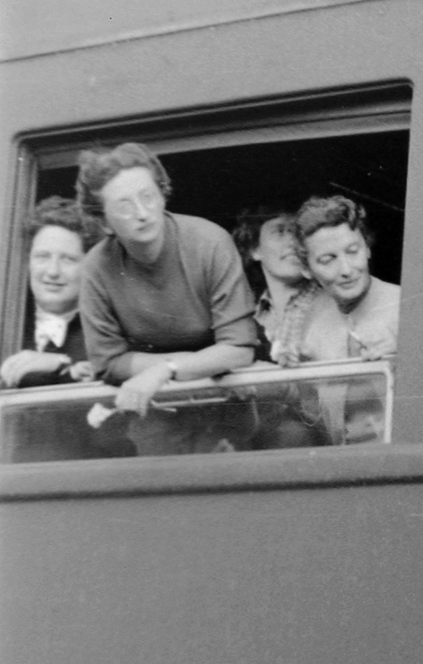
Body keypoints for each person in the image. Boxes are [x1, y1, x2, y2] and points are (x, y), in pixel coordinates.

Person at [76, 143, 258, 454]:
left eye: (148, 196)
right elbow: (107, 363)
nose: (143, 213)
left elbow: (239, 348)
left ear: (162, 194)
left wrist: (165, 370)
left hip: (227, 403)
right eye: (124, 205)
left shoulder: (209, 242)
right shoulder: (95, 268)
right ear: (104, 221)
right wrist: (198, 363)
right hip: (156, 416)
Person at [292, 196, 399, 443]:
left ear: (368, 248)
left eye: (353, 251)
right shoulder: (309, 325)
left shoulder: (410, 308)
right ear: (306, 268)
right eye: (328, 260)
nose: (347, 269)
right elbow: (310, 418)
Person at [1, 197, 101, 388]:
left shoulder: (103, 331)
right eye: (42, 257)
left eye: (68, 259)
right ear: (27, 262)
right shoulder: (7, 325)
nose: (53, 271)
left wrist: (60, 364)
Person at [232, 205, 319, 365]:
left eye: (297, 232)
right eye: (280, 232)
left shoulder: (332, 301)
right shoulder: (250, 316)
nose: (293, 242)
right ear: (254, 249)